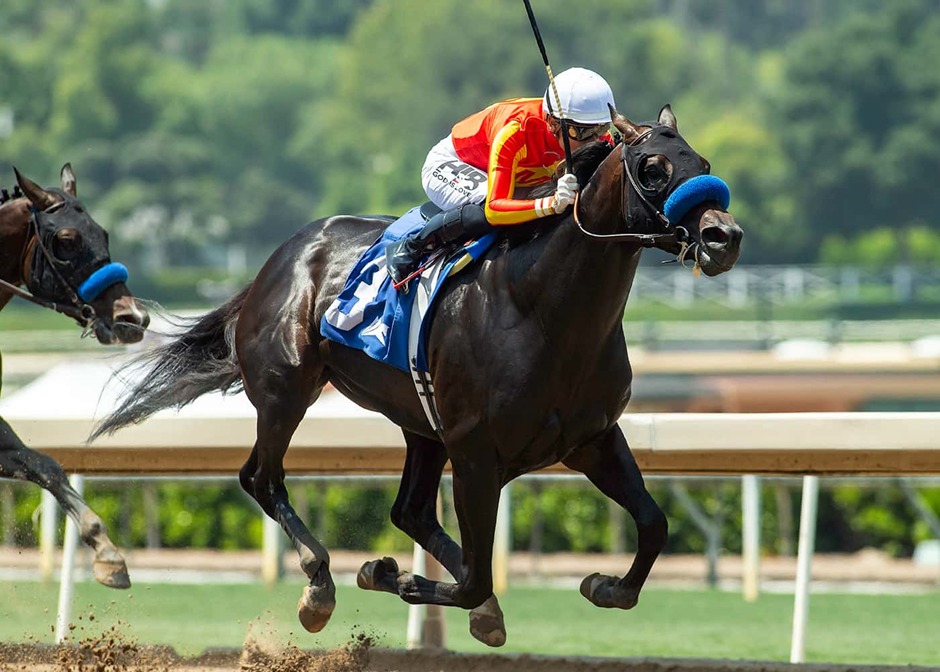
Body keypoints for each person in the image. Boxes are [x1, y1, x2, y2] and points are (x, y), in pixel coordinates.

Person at [385, 67, 616, 286]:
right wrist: (551, 203)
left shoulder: (598, 138)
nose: (594, 141)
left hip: (516, 177)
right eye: (582, 132)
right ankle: (412, 247)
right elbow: (495, 209)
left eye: (601, 129)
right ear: (553, 123)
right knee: (485, 208)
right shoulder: (517, 131)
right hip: (455, 163)